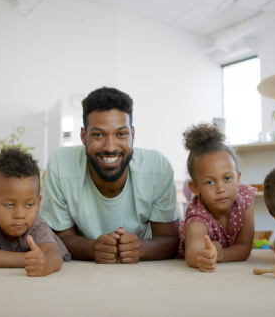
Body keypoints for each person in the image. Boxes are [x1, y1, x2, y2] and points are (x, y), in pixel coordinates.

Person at [40, 87, 179, 264]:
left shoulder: (156, 166)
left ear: (133, 135)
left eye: (121, 134)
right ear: (83, 136)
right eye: (98, 135)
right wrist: (91, 248)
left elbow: (170, 239)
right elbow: (60, 238)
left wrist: (141, 249)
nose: (110, 147)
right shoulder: (60, 164)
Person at [0, 148, 70, 277]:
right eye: (9, 205)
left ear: (38, 204)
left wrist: (46, 263)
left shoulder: (36, 225)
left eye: (29, 204)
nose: (20, 215)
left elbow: (54, 256)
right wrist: (30, 259)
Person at [178, 122, 255, 272]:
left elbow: (245, 248)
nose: (220, 189)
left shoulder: (245, 197)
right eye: (210, 182)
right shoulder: (198, 216)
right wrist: (203, 255)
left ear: (238, 178)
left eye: (227, 178)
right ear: (195, 188)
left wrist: (221, 255)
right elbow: (193, 251)